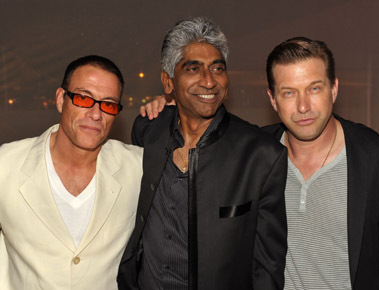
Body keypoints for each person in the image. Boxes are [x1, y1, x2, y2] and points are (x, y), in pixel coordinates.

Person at [138, 36, 379, 289]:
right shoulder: (254, 153)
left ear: (334, 89)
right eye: (288, 93)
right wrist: (170, 110)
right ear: (272, 99)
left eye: (314, 88)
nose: (303, 106)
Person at [117, 17, 288, 290]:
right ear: (168, 81)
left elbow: (268, 266)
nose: (209, 81)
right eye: (193, 69)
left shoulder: (261, 155)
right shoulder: (148, 130)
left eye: (217, 68)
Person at [0, 55, 143, 290]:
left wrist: (167, 115)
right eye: (83, 98)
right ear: (60, 99)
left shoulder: (138, 167)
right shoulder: (6, 164)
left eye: (108, 104)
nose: (96, 114)